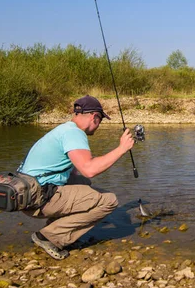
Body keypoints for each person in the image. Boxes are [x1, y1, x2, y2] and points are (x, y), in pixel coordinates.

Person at [20, 95, 134, 259]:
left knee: (83, 183)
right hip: (36, 198)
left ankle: (55, 228)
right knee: (108, 201)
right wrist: (121, 149)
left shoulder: (64, 129)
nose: (99, 125)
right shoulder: (75, 134)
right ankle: (48, 237)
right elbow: (89, 169)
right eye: (100, 120)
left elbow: (77, 173)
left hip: (28, 193)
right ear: (94, 116)